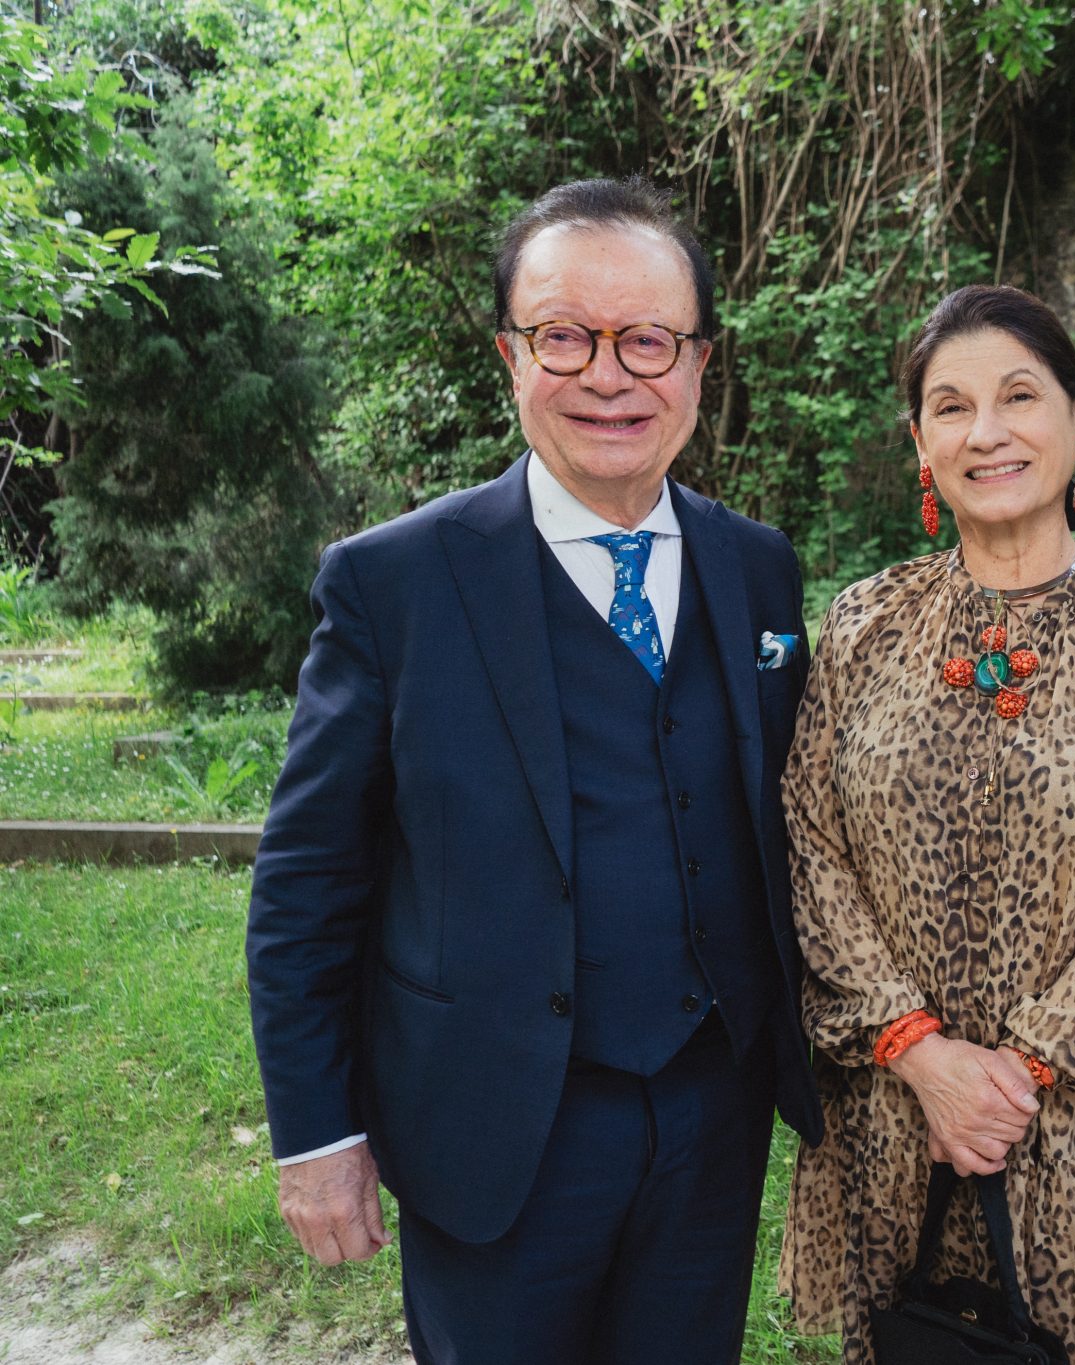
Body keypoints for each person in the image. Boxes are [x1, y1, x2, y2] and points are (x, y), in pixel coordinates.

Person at [245, 177, 822, 1365]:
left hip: (712, 1116)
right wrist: (316, 1136)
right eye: (564, 335)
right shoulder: (391, 584)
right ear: (511, 355)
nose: (608, 376)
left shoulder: (758, 571)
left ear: (699, 366)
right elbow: (308, 884)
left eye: (647, 340)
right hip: (491, 1122)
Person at [775, 284, 1075, 1365]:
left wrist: (1018, 1075)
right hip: (901, 1121)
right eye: (950, 407)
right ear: (919, 445)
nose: (985, 432)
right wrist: (925, 1058)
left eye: (1017, 397)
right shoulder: (863, 623)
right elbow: (807, 846)